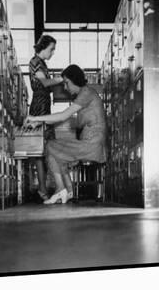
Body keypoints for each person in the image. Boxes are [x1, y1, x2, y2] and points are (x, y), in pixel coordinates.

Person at [25, 64, 107, 204]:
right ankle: (66, 191)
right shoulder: (86, 94)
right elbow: (71, 119)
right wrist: (40, 122)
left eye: (67, 83)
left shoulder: (86, 93)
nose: (65, 87)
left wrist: (36, 118)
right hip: (91, 143)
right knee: (56, 153)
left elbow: (63, 116)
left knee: (51, 146)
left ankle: (61, 189)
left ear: (75, 80)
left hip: (92, 145)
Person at [28, 35, 63, 201]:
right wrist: (62, 78)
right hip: (39, 108)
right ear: (43, 47)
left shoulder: (42, 64)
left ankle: (46, 189)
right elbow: (45, 84)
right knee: (41, 150)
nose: (53, 52)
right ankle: (44, 189)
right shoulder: (35, 62)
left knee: (44, 150)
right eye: (52, 49)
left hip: (43, 106)